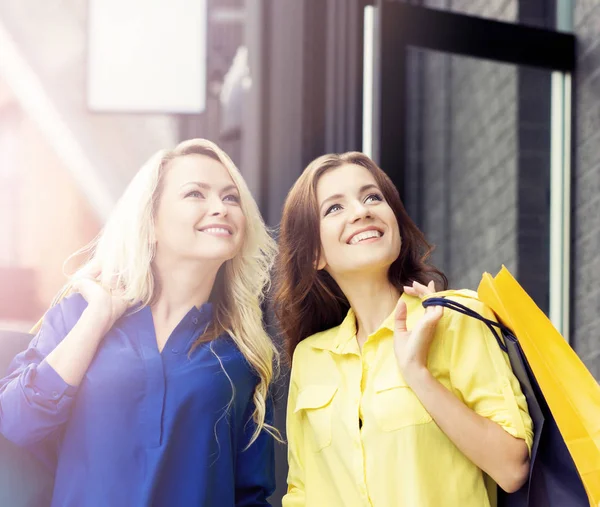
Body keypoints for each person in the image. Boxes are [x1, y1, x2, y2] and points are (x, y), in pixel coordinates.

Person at [0, 139, 279, 507]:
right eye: (196, 193)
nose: (221, 208)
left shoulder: (245, 354)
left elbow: (251, 495)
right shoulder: (79, 315)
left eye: (231, 198)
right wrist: (98, 317)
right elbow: (17, 422)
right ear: (151, 221)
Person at [274, 151, 533, 507]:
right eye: (334, 208)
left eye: (372, 197)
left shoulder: (457, 318)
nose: (361, 211)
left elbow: (512, 467)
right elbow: (301, 492)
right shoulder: (310, 357)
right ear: (315, 254)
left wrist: (418, 374)